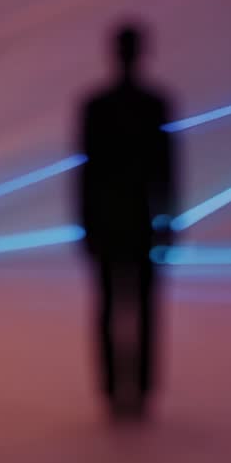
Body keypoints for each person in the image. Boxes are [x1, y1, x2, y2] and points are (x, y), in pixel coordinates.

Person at [77, 21, 177, 420]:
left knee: (110, 308)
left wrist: (85, 224)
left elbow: (87, 170)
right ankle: (138, 393)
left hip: (111, 222)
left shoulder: (96, 106)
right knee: (141, 309)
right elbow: (165, 170)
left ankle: (115, 394)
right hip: (139, 221)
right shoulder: (154, 104)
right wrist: (168, 221)